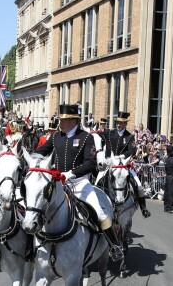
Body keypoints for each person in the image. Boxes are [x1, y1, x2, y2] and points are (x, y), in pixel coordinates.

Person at [36, 104, 123, 262]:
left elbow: (91, 164)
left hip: (80, 183)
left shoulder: (86, 137)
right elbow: (41, 152)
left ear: (74, 121)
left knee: (100, 212)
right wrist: (23, 156)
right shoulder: (56, 136)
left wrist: (71, 174)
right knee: (35, 207)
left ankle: (114, 246)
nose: (60, 123)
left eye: (63, 120)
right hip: (58, 184)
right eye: (60, 120)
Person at [103, 111, 151, 218]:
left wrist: (123, 156)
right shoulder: (110, 133)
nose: (118, 125)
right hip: (111, 163)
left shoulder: (129, 136)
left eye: (121, 123)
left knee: (138, 184)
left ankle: (143, 208)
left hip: (123, 164)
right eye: (117, 122)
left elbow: (132, 150)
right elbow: (105, 144)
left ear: (125, 124)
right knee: (98, 179)